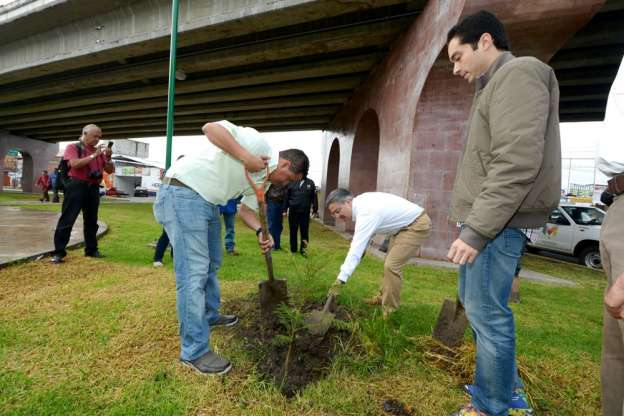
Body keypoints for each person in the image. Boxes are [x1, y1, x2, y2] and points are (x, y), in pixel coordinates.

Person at [445, 11, 561, 416]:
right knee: (476, 304)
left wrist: (476, 230)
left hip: (496, 224)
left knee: (487, 314)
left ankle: (492, 405)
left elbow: (515, 162)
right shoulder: (492, 86)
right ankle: (504, 389)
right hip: (491, 219)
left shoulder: (519, 75)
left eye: (458, 57)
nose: (455, 68)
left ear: (485, 41)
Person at [153, 120, 309, 376]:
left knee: (213, 262)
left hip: (208, 202)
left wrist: (261, 231)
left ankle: (209, 314)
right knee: (194, 273)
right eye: (289, 178)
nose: (286, 184)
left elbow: (246, 210)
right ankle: (193, 351)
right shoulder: (258, 144)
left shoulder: (264, 180)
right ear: (285, 165)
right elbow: (210, 128)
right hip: (183, 192)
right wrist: (246, 157)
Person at [326, 188, 431, 317]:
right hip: (401, 228)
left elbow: (355, 249)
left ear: (348, 201)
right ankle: (382, 298)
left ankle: (390, 312)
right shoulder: (362, 204)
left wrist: (341, 280)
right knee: (388, 264)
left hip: (415, 225)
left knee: (391, 266)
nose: (337, 216)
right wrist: (362, 248)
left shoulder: (365, 212)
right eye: (334, 214)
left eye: (338, 211)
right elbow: (368, 234)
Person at [51, 124, 114, 263]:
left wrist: (108, 157)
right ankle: (59, 252)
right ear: (85, 133)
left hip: (93, 188)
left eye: (99, 137)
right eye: (95, 136)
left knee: (92, 221)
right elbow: (74, 164)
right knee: (68, 219)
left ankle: (91, 250)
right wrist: (94, 155)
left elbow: (109, 170)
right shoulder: (73, 147)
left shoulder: (99, 152)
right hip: (77, 186)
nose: (97, 139)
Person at [285, 174, 318, 256]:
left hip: (305, 212)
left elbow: (314, 197)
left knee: (304, 232)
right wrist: (284, 210)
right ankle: (293, 250)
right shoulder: (292, 182)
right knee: (293, 231)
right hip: (293, 211)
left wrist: (315, 209)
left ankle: (304, 250)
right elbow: (287, 197)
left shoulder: (310, 183)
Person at [266, 184, 287, 251]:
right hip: (272, 201)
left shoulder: (285, 181)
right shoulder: (272, 178)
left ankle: (277, 245)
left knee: (279, 226)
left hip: (281, 203)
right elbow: (266, 190)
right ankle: (271, 245)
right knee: (271, 225)